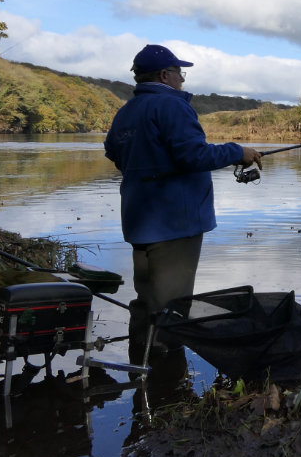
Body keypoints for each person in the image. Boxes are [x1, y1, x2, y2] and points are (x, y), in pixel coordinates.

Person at [104, 44, 262, 356]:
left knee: (146, 297)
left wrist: (149, 168)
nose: (182, 80)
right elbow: (194, 155)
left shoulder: (126, 112)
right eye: (179, 73)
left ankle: (142, 365)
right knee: (173, 305)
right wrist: (238, 152)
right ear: (165, 75)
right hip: (175, 222)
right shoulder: (172, 106)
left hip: (139, 221)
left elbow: (113, 151)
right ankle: (168, 376)